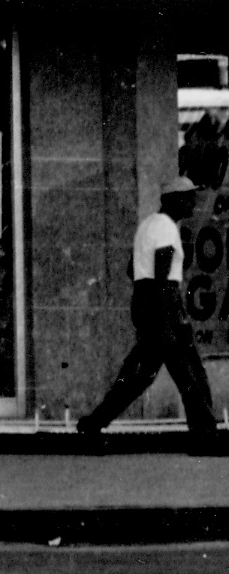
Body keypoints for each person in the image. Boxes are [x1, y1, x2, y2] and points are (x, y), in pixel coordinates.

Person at [80, 173, 220, 437]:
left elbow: (132, 268)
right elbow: (162, 274)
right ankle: (204, 431)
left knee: (139, 374)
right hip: (163, 300)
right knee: (188, 368)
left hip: (145, 300)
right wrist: (169, 318)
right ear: (173, 200)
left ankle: (95, 422)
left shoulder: (147, 225)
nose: (193, 204)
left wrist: (149, 302)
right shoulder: (166, 228)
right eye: (188, 199)